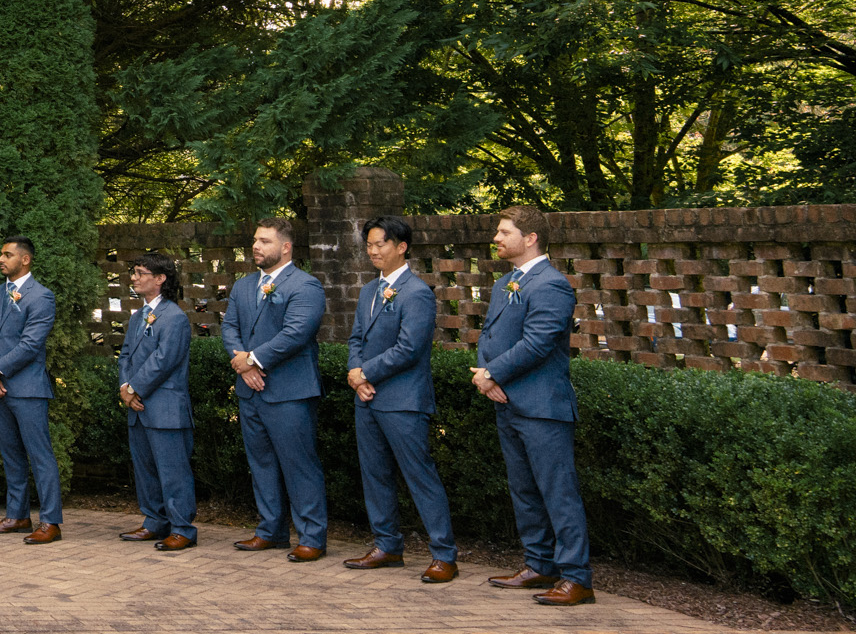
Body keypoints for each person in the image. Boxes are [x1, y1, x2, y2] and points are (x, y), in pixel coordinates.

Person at [474, 205, 593, 607]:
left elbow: (539, 344)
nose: (496, 238)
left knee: (558, 493)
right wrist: (488, 377)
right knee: (524, 490)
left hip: (543, 406)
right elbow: (492, 336)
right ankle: (539, 564)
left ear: (530, 238)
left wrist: (492, 375)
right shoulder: (505, 282)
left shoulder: (552, 285)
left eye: (504, 232)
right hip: (508, 402)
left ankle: (577, 578)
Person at [344, 215, 458, 583]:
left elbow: (409, 349)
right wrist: (354, 373)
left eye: (380, 244)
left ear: (401, 247)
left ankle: (444, 555)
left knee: (419, 477)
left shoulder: (417, 292)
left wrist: (366, 373)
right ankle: (387, 546)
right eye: (369, 245)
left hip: (404, 400)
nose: (373, 251)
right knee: (374, 475)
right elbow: (356, 339)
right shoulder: (368, 291)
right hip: (368, 399)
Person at [219, 216, 328, 560]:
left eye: (264, 241)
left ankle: (312, 537)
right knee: (261, 464)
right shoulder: (243, 285)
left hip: (289, 392)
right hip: (251, 391)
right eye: (255, 240)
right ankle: (271, 530)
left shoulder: (305, 285)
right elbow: (230, 327)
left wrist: (252, 361)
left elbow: (296, 334)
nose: (256, 246)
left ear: (285, 247)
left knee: (299, 465)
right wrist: (242, 363)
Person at [0, 236, 62, 543]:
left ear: (25, 259)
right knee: (11, 455)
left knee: (40, 456)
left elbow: (30, 344)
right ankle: (18, 516)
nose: (1, 258)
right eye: (1, 253)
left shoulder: (42, 296)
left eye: (7, 254)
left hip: (27, 388)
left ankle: (50, 522)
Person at [117, 254, 196, 551]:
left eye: (140, 273)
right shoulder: (137, 317)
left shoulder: (174, 317)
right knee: (146, 469)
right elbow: (125, 355)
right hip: (139, 407)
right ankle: (154, 522)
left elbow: (164, 361)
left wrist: (136, 388)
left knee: (173, 471)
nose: (134, 278)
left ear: (160, 278)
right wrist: (125, 387)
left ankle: (183, 529)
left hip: (165, 409)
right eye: (133, 272)